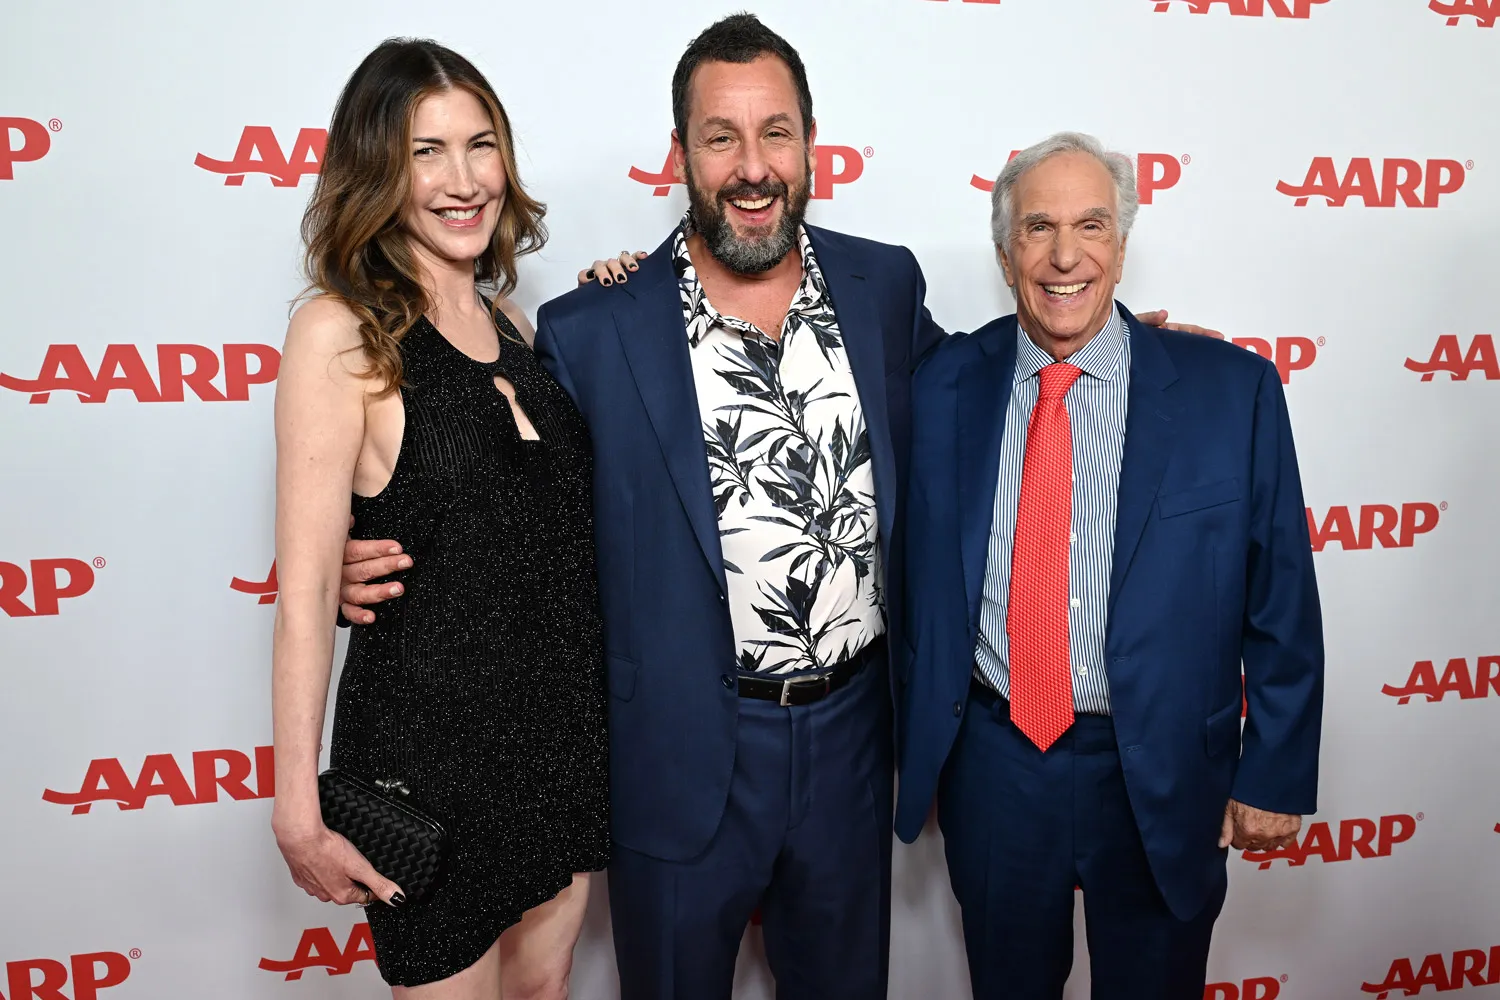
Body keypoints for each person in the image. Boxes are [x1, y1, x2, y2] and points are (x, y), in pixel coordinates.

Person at [896, 132, 1324, 1000]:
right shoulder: (940, 385)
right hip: (997, 761)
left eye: (1092, 226)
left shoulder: (1227, 390)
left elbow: (1282, 595)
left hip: (1163, 766)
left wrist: (1273, 770)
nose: (1065, 256)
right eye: (1039, 227)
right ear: (1004, 249)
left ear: (1122, 247)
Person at [269, 38, 609, 999]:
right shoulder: (341, 333)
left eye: (480, 145)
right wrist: (298, 808)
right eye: (426, 152)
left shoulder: (519, 327)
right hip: (430, 770)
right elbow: (303, 599)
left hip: (558, 753)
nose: (462, 181)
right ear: (379, 169)